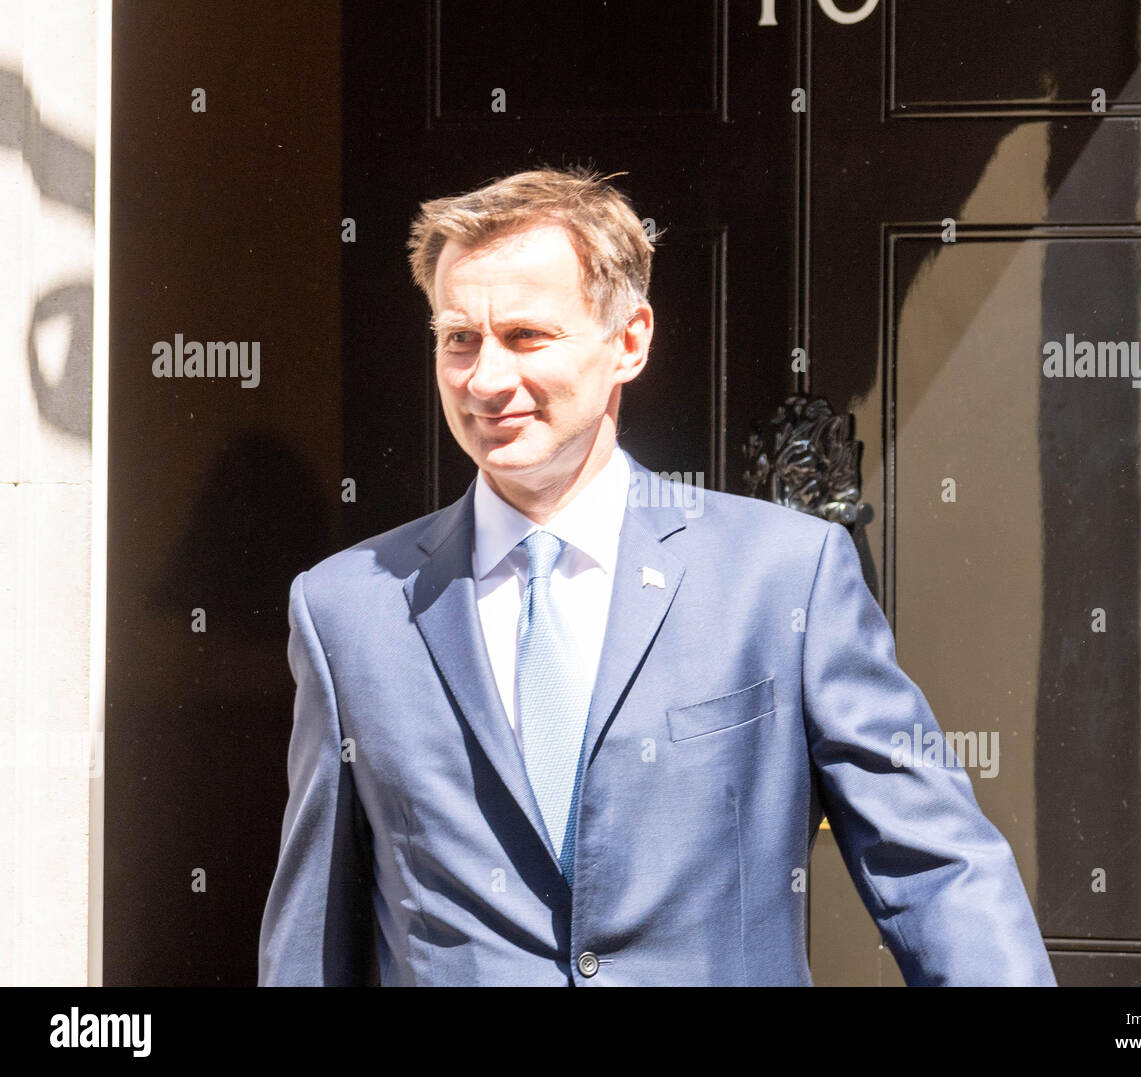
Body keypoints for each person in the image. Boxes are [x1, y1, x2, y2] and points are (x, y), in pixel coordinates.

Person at [257, 165, 1056, 986]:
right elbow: (313, 939)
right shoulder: (346, 609)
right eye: (460, 337)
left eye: (527, 336)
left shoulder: (784, 578)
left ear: (629, 341)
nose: (485, 379)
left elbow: (934, 867)